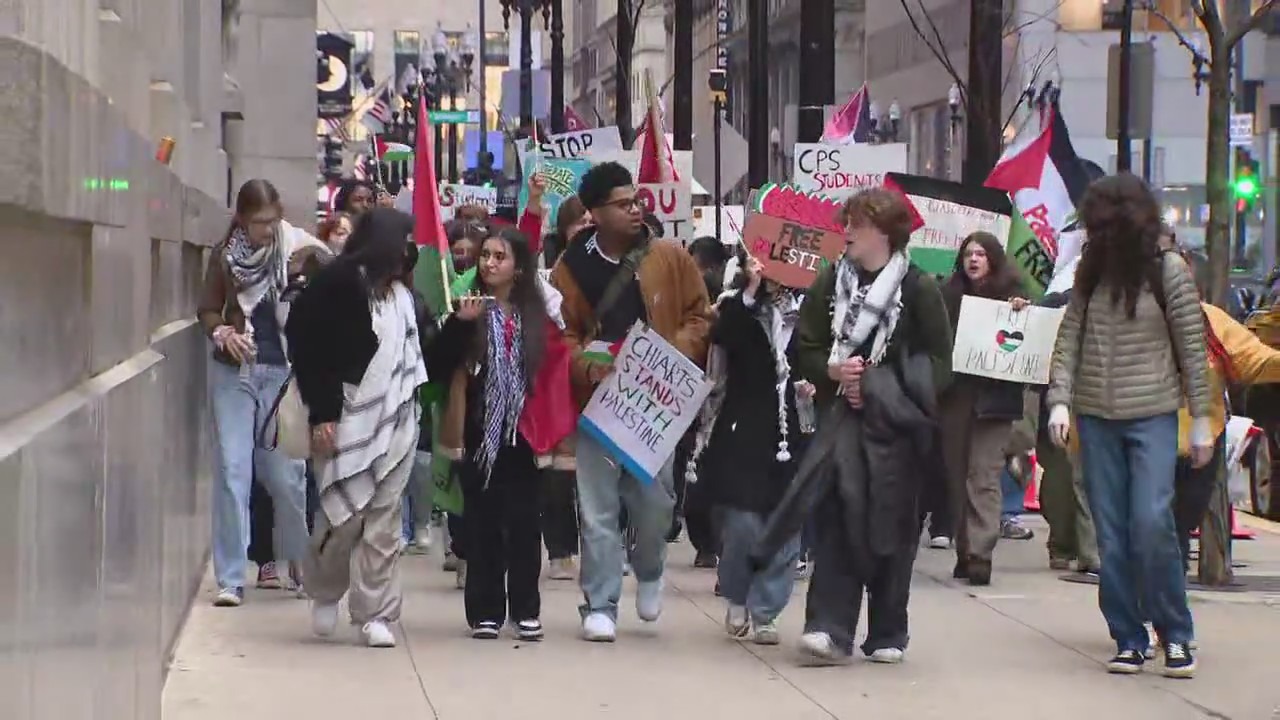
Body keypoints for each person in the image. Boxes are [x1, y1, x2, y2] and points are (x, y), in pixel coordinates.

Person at [753, 187, 953, 666]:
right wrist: (833, 372)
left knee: (892, 524)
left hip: (897, 431)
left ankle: (888, 630)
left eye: (856, 227)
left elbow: (940, 362)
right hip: (841, 421)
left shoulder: (919, 288)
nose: (846, 234)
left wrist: (883, 387)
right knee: (840, 518)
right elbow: (806, 346)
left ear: (883, 234)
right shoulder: (829, 282)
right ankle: (827, 626)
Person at [1046, 173, 1210, 678]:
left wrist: (1201, 419)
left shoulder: (1169, 273)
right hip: (1096, 418)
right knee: (1111, 536)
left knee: (1151, 522)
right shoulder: (1089, 273)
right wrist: (1060, 400)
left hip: (1153, 414)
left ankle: (1175, 633)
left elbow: (1191, 348)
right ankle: (1128, 635)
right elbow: (1069, 337)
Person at [550, 161, 712, 642]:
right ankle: (599, 603)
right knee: (598, 511)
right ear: (595, 212)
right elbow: (564, 336)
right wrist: (587, 364)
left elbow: (699, 317)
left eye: (636, 200)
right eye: (623, 204)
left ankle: (650, 568)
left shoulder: (670, 257)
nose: (636, 208)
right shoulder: (569, 269)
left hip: (654, 407)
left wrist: (667, 355)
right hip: (598, 407)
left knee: (654, 504)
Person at [285, 208, 431, 648]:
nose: (411, 251)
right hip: (344, 415)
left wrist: (461, 330)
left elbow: (425, 358)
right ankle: (325, 590)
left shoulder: (407, 299)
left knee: (384, 521)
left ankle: (376, 613)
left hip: (397, 420)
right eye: (405, 241)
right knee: (341, 517)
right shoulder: (337, 284)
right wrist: (323, 414)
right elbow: (309, 349)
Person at [428, 226, 572, 641]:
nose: (489, 263)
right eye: (485, 255)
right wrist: (459, 325)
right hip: (477, 432)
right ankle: (485, 611)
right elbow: (436, 365)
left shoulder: (538, 319)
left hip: (525, 434)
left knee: (526, 525)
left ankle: (526, 609)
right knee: (482, 524)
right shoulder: (465, 308)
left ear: (519, 268)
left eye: (499, 256)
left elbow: (552, 373)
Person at [196, 179, 322, 607]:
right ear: (241, 219)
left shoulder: (299, 249)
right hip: (235, 373)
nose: (266, 230)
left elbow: (330, 287)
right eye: (257, 223)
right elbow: (207, 308)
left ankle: (302, 563)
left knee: (285, 476)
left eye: (271, 220)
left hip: (281, 376)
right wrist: (221, 331)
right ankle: (231, 577)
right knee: (234, 471)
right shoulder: (225, 256)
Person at [697, 256, 808, 645]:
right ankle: (738, 595)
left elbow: (819, 356)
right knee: (742, 524)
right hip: (743, 425)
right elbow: (724, 339)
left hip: (792, 430)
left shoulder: (812, 309)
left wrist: (813, 385)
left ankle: (766, 611)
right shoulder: (736, 305)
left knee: (785, 524)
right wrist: (749, 292)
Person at [939, 231, 1030, 586]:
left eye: (980, 253)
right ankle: (966, 550)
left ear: (993, 258)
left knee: (984, 475)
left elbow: (1029, 345)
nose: (973, 260)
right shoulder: (948, 296)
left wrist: (1021, 313)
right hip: (956, 400)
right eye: (967, 254)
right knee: (958, 477)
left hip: (995, 403)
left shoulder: (1014, 297)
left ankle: (981, 553)